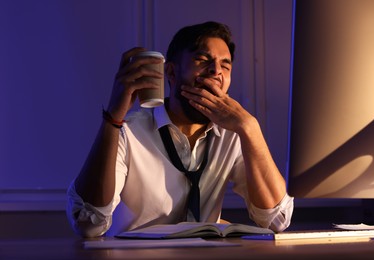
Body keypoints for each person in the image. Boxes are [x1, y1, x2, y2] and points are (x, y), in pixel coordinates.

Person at [67, 21, 294, 237]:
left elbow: (277, 219)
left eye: (225, 65)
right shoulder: (127, 131)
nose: (216, 71)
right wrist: (113, 119)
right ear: (172, 73)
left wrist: (249, 127)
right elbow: (88, 224)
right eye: (203, 60)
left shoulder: (233, 135)